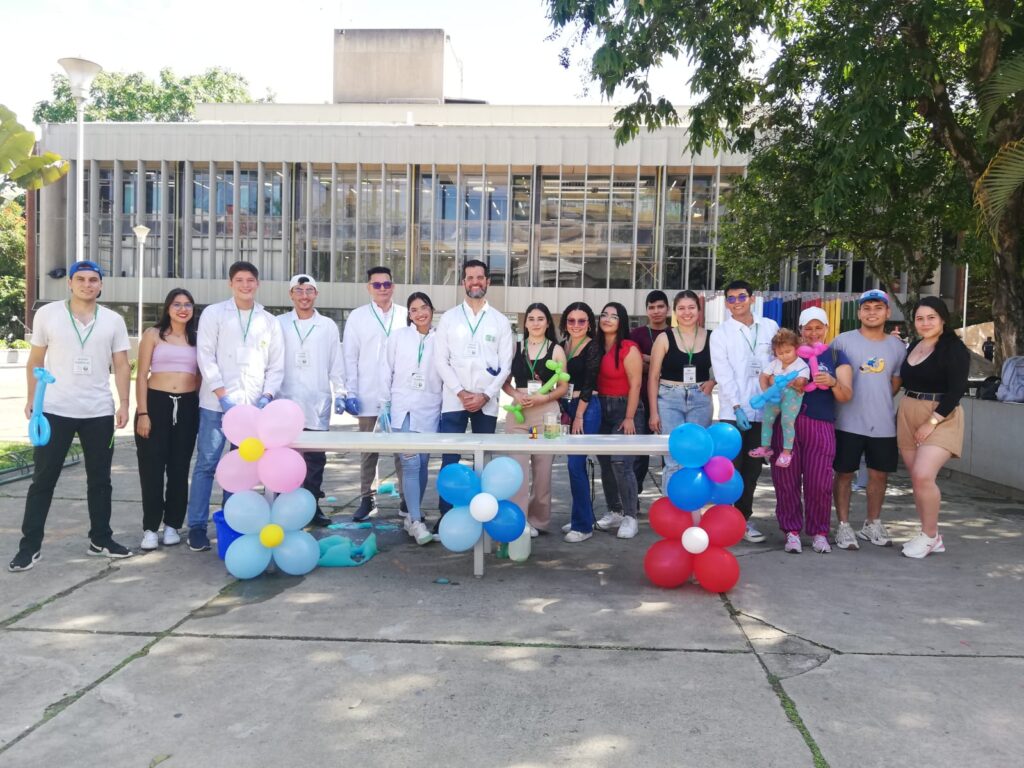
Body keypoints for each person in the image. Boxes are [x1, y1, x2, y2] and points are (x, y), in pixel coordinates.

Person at [10, 260, 133, 572]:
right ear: (70, 283)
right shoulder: (48, 314)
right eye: (81, 279)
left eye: (93, 280)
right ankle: (30, 546)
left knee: (100, 481)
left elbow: (121, 365)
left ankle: (100, 539)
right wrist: (30, 400)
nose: (87, 285)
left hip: (98, 412)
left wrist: (124, 404)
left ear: (101, 285)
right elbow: (35, 360)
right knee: (43, 479)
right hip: (55, 410)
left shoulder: (113, 320)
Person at [187, 261, 284, 553]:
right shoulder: (215, 314)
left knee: (239, 470)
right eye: (239, 280)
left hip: (252, 409)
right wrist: (221, 394)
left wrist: (266, 396)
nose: (245, 285)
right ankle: (196, 526)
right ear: (230, 283)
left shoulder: (269, 321)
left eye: (250, 280)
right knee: (207, 464)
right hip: (216, 406)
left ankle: (233, 523)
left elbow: (276, 365)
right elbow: (205, 355)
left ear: (258, 284)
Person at [433, 260, 514, 527]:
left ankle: (483, 515)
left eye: (480, 277)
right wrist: (460, 392)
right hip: (454, 400)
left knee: (484, 460)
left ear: (488, 281)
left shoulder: (500, 321)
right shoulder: (449, 318)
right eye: (470, 278)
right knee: (449, 460)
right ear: (463, 282)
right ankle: (446, 515)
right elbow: (440, 360)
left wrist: (484, 395)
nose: (475, 282)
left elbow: (506, 366)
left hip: (486, 402)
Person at [768, 307, 853, 554]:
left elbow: (846, 395)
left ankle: (819, 532)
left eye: (818, 327)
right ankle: (791, 531)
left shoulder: (837, 356)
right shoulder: (788, 352)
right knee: (786, 479)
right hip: (787, 425)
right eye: (808, 327)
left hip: (820, 424)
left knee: (819, 481)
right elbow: (769, 382)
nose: (813, 332)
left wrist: (833, 382)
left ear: (827, 328)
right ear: (800, 330)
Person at [831, 289, 907, 550]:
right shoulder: (842, 341)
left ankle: (872, 522)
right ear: (859, 312)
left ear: (887, 312)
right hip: (847, 421)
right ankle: (843, 526)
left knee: (879, 475)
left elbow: (895, 383)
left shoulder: (897, 346)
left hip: (883, 423)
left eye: (878, 307)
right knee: (844, 474)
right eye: (866, 308)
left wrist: (876, 401)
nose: (872, 312)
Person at [896, 296, 970, 558]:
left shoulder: (954, 349)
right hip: (908, 411)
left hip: (941, 414)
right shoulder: (914, 345)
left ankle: (929, 535)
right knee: (917, 480)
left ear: (942, 319)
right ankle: (931, 533)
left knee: (923, 475)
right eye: (920, 318)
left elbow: (957, 390)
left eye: (931, 317)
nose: (925, 323)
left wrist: (932, 421)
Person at [709, 280, 779, 543]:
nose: (736, 302)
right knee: (730, 471)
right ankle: (724, 520)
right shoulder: (721, 334)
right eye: (731, 298)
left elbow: (777, 364)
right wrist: (737, 407)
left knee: (752, 471)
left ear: (752, 298)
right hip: (733, 413)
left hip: (763, 413)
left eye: (741, 297)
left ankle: (743, 520)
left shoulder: (770, 327)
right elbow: (723, 374)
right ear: (726, 303)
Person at [277, 274, 345, 528]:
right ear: (291, 294)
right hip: (286, 401)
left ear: (316, 294)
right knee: (286, 459)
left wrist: (341, 393)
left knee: (315, 461)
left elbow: (335, 363)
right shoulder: (279, 323)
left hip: (317, 402)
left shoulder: (327, 325)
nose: (304, 296)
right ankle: (286, 510)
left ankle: (313, 508)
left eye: (309, 290)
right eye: (299, 290)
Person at [134, 288, 200, 550]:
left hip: (187, 406)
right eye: (177, 304)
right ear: (168, 307)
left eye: (188, 304)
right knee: (151, 469)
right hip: (156, 404)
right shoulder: (153, 334)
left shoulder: (197, 338)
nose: (183, 309)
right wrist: (143, 412)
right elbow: (140, 375)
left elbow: (201, 376)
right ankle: (151, 527)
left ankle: (173, 524)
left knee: (179, 468)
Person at [341, 266, 408, 521]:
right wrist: (350, 392)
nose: (382, 289)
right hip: (367, 394)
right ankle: (367, 499)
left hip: (399, 396)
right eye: (377, 284)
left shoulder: (405, 314)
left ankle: (405, 499)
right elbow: (350, 357)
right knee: (368, 451)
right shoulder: (358, 317)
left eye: (386, 284)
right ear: (368, 288)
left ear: (393, 286)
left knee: (402, 451)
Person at [501, 303, 568, 537]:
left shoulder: (556, 349)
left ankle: (539, 520)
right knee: (517, 469)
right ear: (525, 322)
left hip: (546, 411)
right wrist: (516, 394)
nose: (536, 323)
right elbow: (505, 381)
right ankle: (520, 521)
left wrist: (543, 398)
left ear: (547, 323)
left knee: (543, 469)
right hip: (519, 411)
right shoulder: (515, 348)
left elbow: (563, 386)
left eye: (541, 319)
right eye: (531, 318)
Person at [383, 292, 442, 545]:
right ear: (409, 314)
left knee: (423, 464)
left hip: (428, 408)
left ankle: (411, 514)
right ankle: (417, 520)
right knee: (410, 463)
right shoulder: (398, 337)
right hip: (401, 407)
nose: (420, 313)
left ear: (432, 309)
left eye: (424, 307)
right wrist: (384, 404)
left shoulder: (441, 339)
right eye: (414, 309)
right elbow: (386, 369)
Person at [647, 290, 715, 488]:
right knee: (674, 458)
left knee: (697, 455)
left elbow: (725, 367)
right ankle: (672, 512)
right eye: (681, 308)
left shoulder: (712, 336)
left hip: (700, 398)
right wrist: (653, 413)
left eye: (691, 307)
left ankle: (693, 510)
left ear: (699, 310)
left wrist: (713, 381)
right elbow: (653, 377)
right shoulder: (664, 338)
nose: (687, 312)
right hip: (669, 398)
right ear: (675, 312)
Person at [594, 302, 646, 540]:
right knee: (605, 462)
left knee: (621, 463)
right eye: (604, 315)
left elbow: (636, 383)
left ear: (621, 321)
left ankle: (630, 515)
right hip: (601, 407)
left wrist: (629, 417)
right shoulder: (595, 347)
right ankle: (614, 510)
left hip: (626, 408)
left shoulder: (629, 348)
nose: (607, 319)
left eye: (613, 316)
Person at [558, 302, 602, 543]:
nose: (576, 325)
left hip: (586, 409)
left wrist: (578, 415)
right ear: (565, 322)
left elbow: (589, 383)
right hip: (566, 406)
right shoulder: (563, 345)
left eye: (582, 321)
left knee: (576, 465)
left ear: (589, 323)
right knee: (572, 466)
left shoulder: (593, 347)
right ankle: (579, 517)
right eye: (571, 320)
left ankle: (584, 526)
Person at [748, 328, 810, 469]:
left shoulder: (801, 365)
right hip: (774, 396)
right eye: (780, 353)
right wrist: (766, 391)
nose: (784, 356)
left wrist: (790, 382)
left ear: (796, 348)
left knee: (787, 421)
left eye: (788, 352)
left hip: (792, 397)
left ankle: (787, 452)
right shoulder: (775, 363)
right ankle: (765, 447)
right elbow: (763, 376)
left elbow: (802, 382)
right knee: (767, 419)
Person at [629, 290, 669, 495]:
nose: (656, 311)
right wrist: (658, 363)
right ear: (646, 310)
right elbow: (633, 365)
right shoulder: (636, 334)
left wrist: (646, 359)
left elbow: (675, 366)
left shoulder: (674, 334)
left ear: (668, 309)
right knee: (639, 452)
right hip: (641, 401)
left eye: (660, 306)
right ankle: (632, 500)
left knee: (669, 452)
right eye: (652, 307)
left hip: (671, 399)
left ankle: (671, 496)